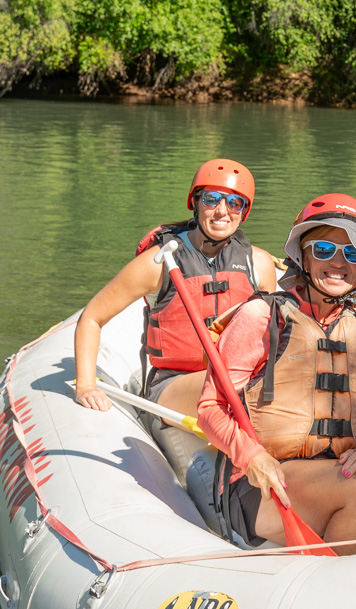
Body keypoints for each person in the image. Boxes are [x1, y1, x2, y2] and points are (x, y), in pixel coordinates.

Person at [196, 193, 356, 553]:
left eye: (352, 253)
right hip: (264, 479)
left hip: (341, 468)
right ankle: (338, 597)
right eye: (324, 250)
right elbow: (211, 407)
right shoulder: (262, 316)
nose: (338, 262)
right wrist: (252, 457)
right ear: (303, 257)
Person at [75, 158, 277, 420]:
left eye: (234, 202)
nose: (222, 211)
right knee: (233, 380)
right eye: (212, 199)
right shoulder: (159, 262)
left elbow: (270, 337)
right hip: (173, 385)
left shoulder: (259, 263)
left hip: (236, 377)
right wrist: (86, 386)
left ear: (244, 211)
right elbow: (92, 317)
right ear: (195, 202)